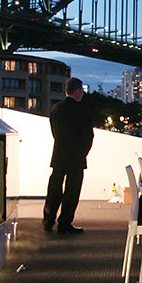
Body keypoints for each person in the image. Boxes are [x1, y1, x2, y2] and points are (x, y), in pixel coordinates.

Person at [44, 77, 94, 234]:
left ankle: (48, 220)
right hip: (76, 157)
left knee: (54, 189)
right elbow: (88, 136)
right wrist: (82, 152)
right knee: (72, 192)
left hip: (59, 154)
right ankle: (64, 223)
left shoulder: (56, 108)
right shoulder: (82, 110)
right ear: (78, 92)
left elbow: (54, 132)